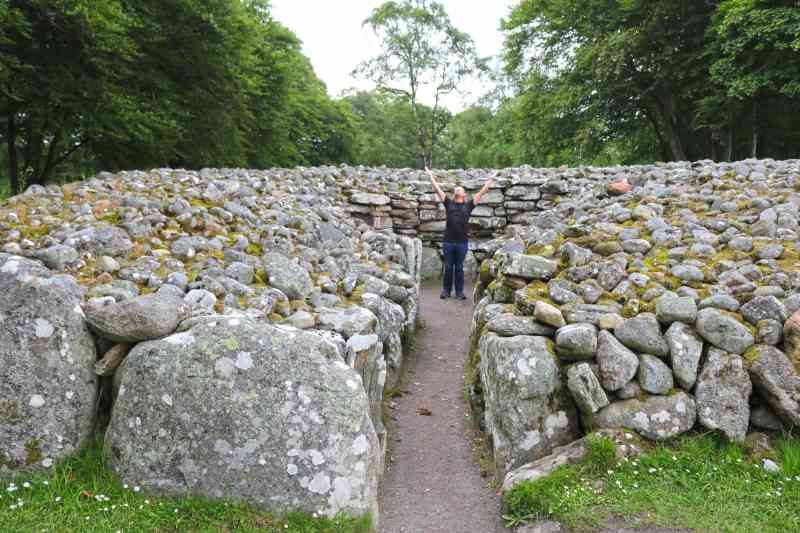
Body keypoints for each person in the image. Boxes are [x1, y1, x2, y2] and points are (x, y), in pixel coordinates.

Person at [425, 166, 495, 300]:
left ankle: (459, 292)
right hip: (448, 242)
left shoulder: (468, 205)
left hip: (462, 243)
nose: (457, 189)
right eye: (456, 188)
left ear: (464, 194)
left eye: (460, 189)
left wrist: (490, 179)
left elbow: (482, 192)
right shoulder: (448, 203)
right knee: (448, 267)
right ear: (455, 193)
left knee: (459, 268)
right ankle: (446, 291)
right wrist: (430, 176)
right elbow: (437, 189)